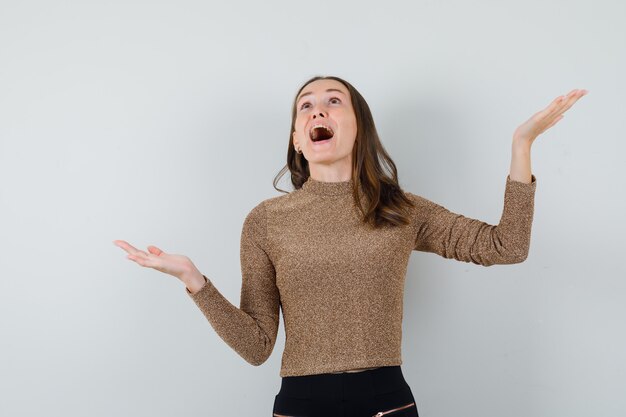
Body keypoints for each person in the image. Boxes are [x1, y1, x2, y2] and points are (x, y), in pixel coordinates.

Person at [113, 76, 587, 417]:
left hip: (386, 401)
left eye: (333, 101)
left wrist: (522, 145)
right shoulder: (265, 222)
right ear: (298, 140)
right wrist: (194, 281)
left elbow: (506, 246)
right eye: (306, 106)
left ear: (358, 126)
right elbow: (257, 347)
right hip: (299, 405)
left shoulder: (400, 209)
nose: (318, 110)